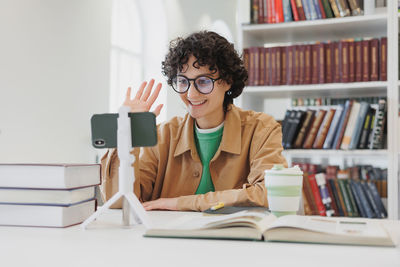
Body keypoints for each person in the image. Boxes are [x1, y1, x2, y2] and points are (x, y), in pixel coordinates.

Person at [100, 31, 287, 211]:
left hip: (236, 242)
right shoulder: (162, 135)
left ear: (228, 81)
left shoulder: (261, 129)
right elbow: (120, 202)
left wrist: (180, 203)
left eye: (204, 81)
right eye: (183, 81)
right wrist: (125, 135)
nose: (190, 94)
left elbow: (268, 193)